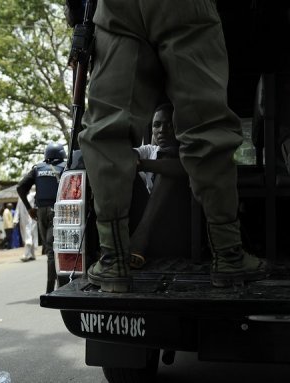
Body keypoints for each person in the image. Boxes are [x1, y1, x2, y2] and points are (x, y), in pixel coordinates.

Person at [66, 0, 267, 291]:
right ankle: (228, 256)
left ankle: (114, 261)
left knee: (108, 130)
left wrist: (78, 16)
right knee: (205, 125)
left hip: (114, 8)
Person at [129, 103, 189, 268]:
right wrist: (131, 156)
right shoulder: (150, 150)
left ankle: (140, 238)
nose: (162, 130)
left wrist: (143, 165)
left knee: (169, 163)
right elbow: (130, 155)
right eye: (157, 125)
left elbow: (185, 168)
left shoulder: (190, 152)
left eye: (169, 124)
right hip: (148, 221)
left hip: (177, 225)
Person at [17, 142, 67, 293]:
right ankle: (51, 290)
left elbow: (20, 188)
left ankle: (59, 286)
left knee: (50, 249)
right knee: (54, 251)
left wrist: (29, 208)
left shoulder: (37, 169)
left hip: (41, 213)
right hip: (58, 211)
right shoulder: (65, 167)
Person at [14, 187, 38, 262]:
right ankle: (32, 255)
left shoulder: (33, 195)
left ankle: (26, 254)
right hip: (23, 220)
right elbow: (17, 209)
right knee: (28, 236)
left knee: (29, 237)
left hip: (31, 219)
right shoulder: (20, 197)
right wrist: (15, 220)